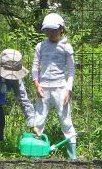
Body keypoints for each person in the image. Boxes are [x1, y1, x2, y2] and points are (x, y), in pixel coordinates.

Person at [32, 12, 77, 159]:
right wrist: (36, 84)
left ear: (61, 29)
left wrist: (68, 90)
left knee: (65, 120)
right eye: (48, 30)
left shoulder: (66, 47)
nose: (51, 33)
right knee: (39, 119)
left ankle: (72, 155)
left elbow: (71, 71)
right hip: (43, 88)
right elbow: (35, 67)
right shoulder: (40, 46)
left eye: (54, 30)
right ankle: (35, 150)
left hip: (60, 88)